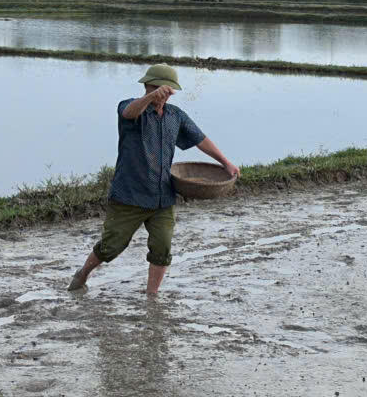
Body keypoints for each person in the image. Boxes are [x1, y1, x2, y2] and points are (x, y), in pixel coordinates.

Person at [67, 63, 239, 295]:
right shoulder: (130, 108)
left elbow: (200, 139)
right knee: (111, 246)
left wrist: (225, 162)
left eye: (169, 93)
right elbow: (130, 112)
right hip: (129, 195)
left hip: (162, 197)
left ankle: (152, 296)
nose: (166, 97)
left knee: (162, 247)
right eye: (163, 91)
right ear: (150, 86)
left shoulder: (174, 116)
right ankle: (83, 273)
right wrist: (150, 98)